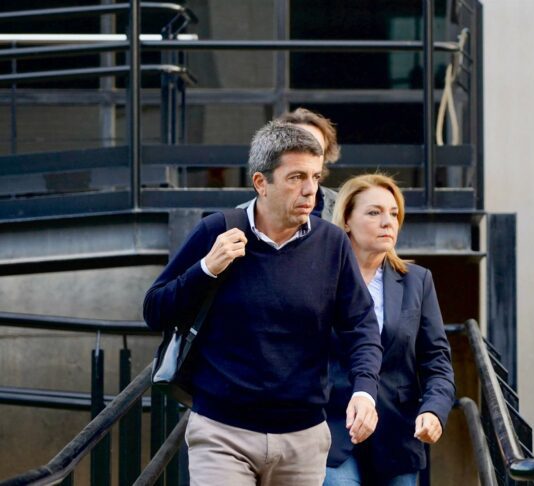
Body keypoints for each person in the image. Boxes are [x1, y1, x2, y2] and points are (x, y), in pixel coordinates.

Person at [143, 122, 383, 486]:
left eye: (315, 177)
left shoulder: (332, 243)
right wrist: (206, 269)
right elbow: (154, 310)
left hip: (303, 439)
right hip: (222, 433)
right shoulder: (217, 231)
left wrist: (364, 390)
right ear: (261, 183)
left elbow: (361, 325)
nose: (310, 190)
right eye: (296, 177)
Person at [325, 174, 456, 485]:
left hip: (398, 436)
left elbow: (437, 363)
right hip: (333, 431)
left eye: (394, 213)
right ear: (346, 220)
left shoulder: (417, 281)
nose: (388, 222)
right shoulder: (321, 280)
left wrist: (434, 411)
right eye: (374, 212)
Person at [238, 107, 340, 221]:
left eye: (315, 148)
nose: (307, 153)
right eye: (295, 145)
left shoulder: (344, 206)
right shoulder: (243, 217)